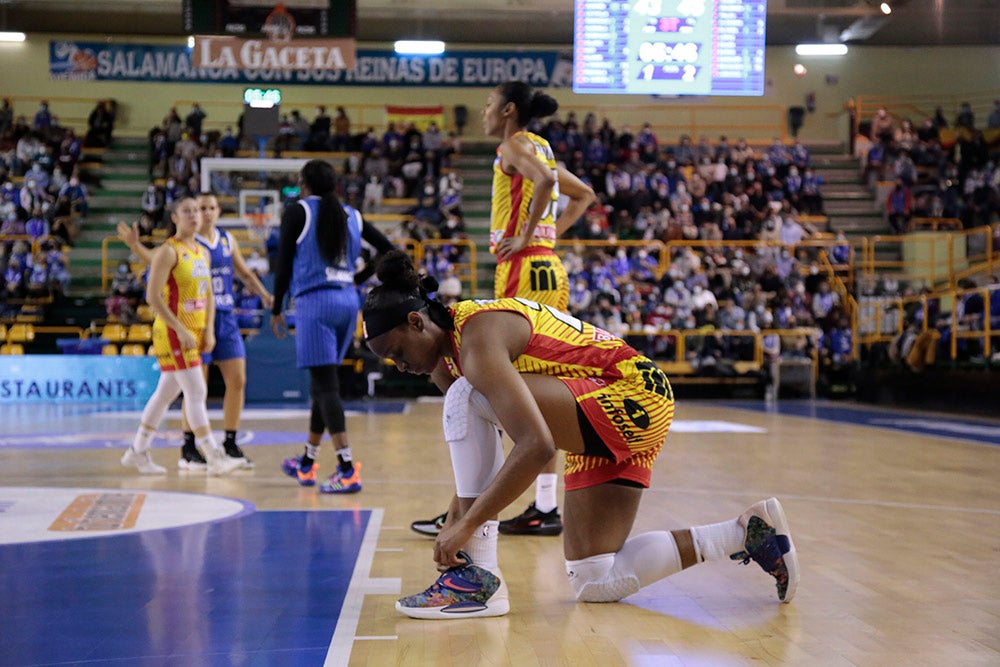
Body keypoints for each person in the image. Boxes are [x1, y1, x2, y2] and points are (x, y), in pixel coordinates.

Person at [362, 250, 798, 619]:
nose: (400, 365)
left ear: (417, 322)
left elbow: (537, 446)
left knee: (465, 396)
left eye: (397, 352)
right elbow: (478, 458)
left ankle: (478, 581)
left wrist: (468, 527)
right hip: (606, 404)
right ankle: (745, 533)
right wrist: (457, 517)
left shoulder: (477, 336)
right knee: (595, 578)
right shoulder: (446, 363)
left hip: (629, 391)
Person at [409, 81, 596, 539]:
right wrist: (549, 235)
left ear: (509, 110)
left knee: (498, 389)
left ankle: (467, 508)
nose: (484, 111)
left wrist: (527, 235)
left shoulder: (514, 146)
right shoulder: (541, 147)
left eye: (490, 104)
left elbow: (547, 182)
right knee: (537, 386)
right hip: (548, 267)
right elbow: (584, 194)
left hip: (524, 267)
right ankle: (544, 505)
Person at [118, 193, 274, 470]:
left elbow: (209, 294)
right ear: (175, 218)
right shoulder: (169, 250)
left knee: (165, 394)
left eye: (198, 211)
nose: (195, 215)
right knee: (197, 390)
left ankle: (137, 450)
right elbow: (153, 296)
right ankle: (212, 455)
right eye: (189, 211)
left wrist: (208, 328)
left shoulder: (203, 252)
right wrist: (180, 329)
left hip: (202, 325)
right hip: (174, 331)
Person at [271, 159, 394, 493]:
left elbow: (283, 265)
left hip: (315, 304)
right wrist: (358, 278)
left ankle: (347, 468)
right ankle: (307, 462)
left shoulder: (298, 211)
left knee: (326, 387)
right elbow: (388, 250)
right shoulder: (352, 214)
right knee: (322, 385)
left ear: (304, 184)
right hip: (347, 303)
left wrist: (276, 308)